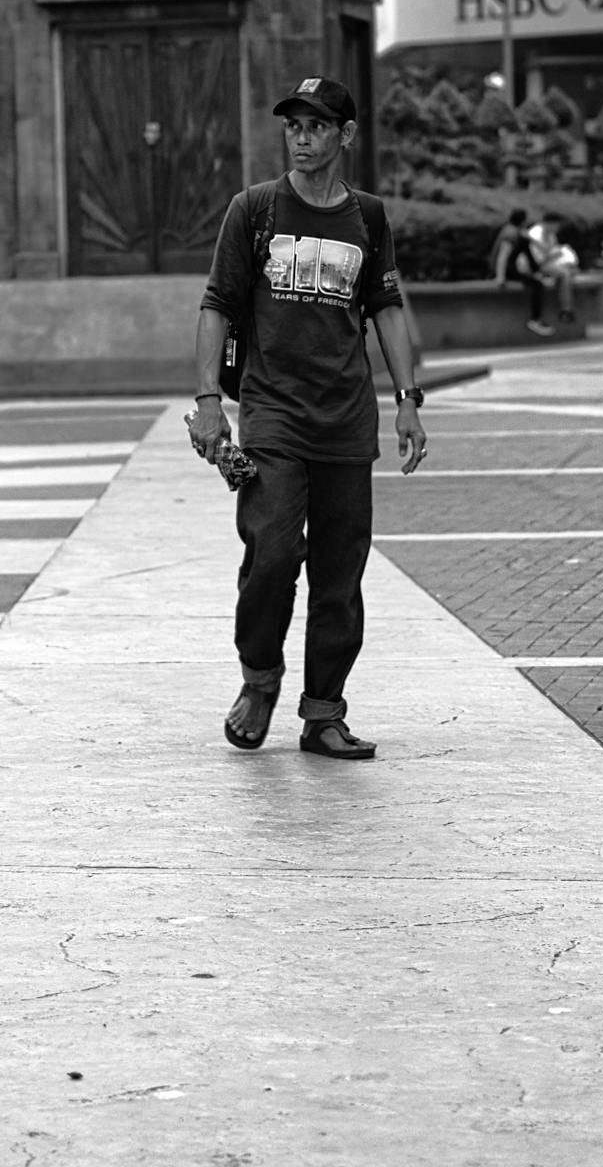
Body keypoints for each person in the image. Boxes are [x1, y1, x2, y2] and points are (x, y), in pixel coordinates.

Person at [192, 75, 426, 762]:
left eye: (318, 126)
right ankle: (259, 680)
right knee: (270, 553)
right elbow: (217, 303)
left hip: (346, 421)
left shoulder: (368, 217)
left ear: (346, 135)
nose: (302, 138)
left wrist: (407, 401)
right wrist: (210, 402)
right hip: (272, 413)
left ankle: (325, 710)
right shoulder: (254, 209)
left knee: (339, 575)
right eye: (294, 126)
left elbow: (385, 307)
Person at [488, 208, 550, 335]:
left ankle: (537, 272)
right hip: (504, 270)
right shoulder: (510, 234)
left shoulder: (516, 232)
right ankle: (535, 319)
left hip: (509, 268)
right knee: (537, 285)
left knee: (525, 244)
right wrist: (500, 277)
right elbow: (502, 257)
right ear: (523, 220)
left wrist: (530, 238)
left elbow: (543, 249)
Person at [525, 211, 579, 329]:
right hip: (533, 266)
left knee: (570, 270)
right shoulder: (535, 234)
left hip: (547, 264)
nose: (558, 228)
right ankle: (566, 309)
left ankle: (565, 305)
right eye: (557, 225)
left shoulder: (550, 235)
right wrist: (555, 256)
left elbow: (552, 252)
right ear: (549, 224)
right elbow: (536, 260)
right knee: (564, 274)